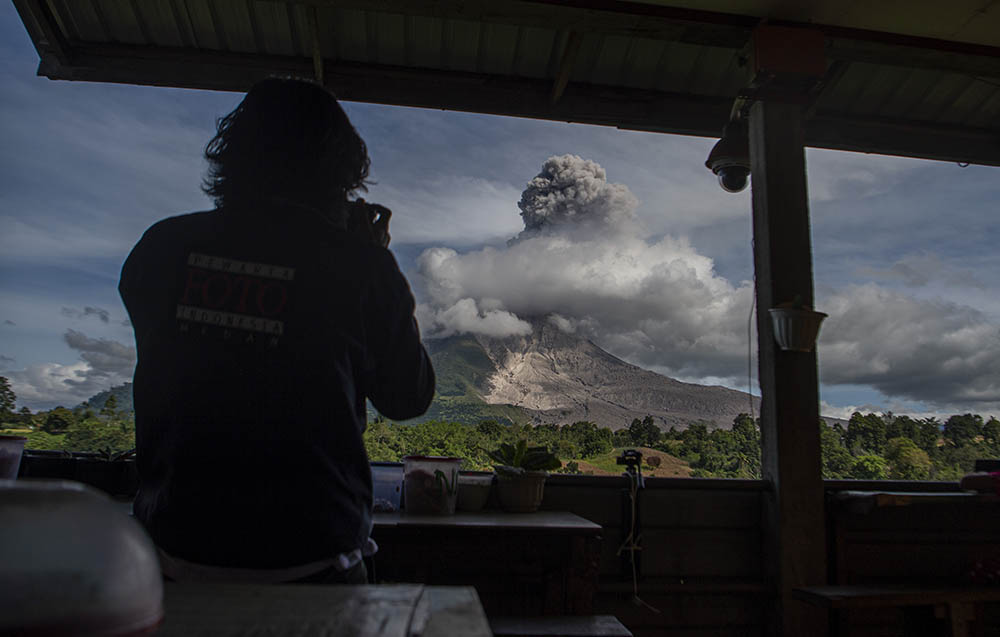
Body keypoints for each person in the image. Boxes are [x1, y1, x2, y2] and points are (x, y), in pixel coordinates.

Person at [119, 78, 435, 584]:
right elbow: (407, 397)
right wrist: (369, 260)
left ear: (233, 161)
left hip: (171, 555)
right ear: (339, 175)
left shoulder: (160, 248)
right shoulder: (357, 265)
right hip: (313, 559)